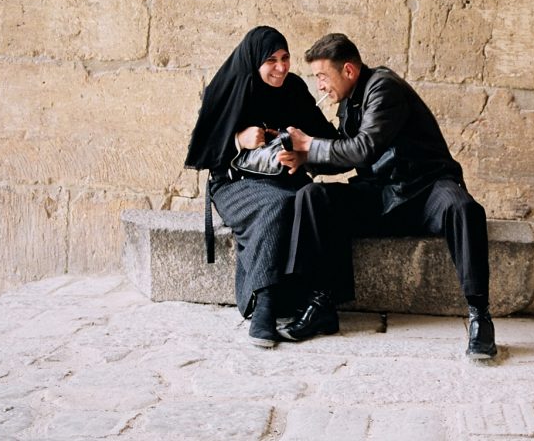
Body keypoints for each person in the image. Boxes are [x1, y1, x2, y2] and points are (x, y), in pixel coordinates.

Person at [276, 33, 497, 359]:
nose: (320, 86)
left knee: (464, 209)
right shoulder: (349, 103)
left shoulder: (383, 88)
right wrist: (303, 158)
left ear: (348, 70)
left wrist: (309, 145)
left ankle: (480, 317)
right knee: (314, 197)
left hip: (427, 188)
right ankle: (322, 303)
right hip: (382, 195)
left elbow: (364, 146)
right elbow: (350, 157)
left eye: (323, 76)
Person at [184, 25, 338, 348]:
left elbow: (327, 141)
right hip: (234, 184)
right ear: (255, 61)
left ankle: (313, 302)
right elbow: (204, 151)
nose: (281, 67)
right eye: (271, 61)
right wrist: (238, 140)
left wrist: (302, 154)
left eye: (286, 58)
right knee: (276, 205)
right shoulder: (230, 88)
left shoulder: (293, 89)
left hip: (285, 178)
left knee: (310, 200)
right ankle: (263, 306)